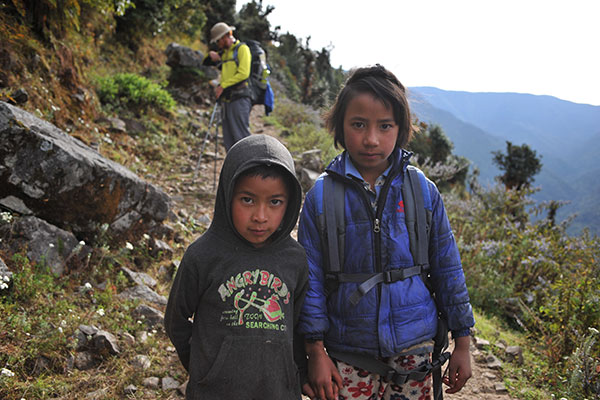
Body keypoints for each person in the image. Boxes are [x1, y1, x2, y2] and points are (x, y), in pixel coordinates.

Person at [297, 65, 475, 400]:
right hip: (347, 351)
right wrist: (315, 350)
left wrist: (462, 341)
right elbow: (311, 282)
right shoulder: (321, 197)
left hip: (416, 351)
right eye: (358, 124)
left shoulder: (421, 191)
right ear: (340, 125)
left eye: (385, 126)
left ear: (402, 128)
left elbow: (448, 269)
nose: (371, 139)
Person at [164, 134, 310, 399]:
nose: (260, 216)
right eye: (248, 200)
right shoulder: (203, 255)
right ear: (227, 195)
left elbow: (297, 327)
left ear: (289, 204)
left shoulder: (295, 259)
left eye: (275, 202)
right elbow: (176, 320)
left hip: (278, 391)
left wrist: (298, 374)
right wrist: (203, 368)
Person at [203, 22, 252, 151]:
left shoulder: (242, 49)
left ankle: (250, 168)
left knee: (242, 138)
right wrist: (212, 57)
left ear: (225, 37)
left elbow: (243, 73)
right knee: (229, 140)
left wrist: (222, 86)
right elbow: (205, 63)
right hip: (226, 100)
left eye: (218, 41)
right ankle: (235, 169)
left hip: (240, 98)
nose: (218, 44)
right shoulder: (224, 55)